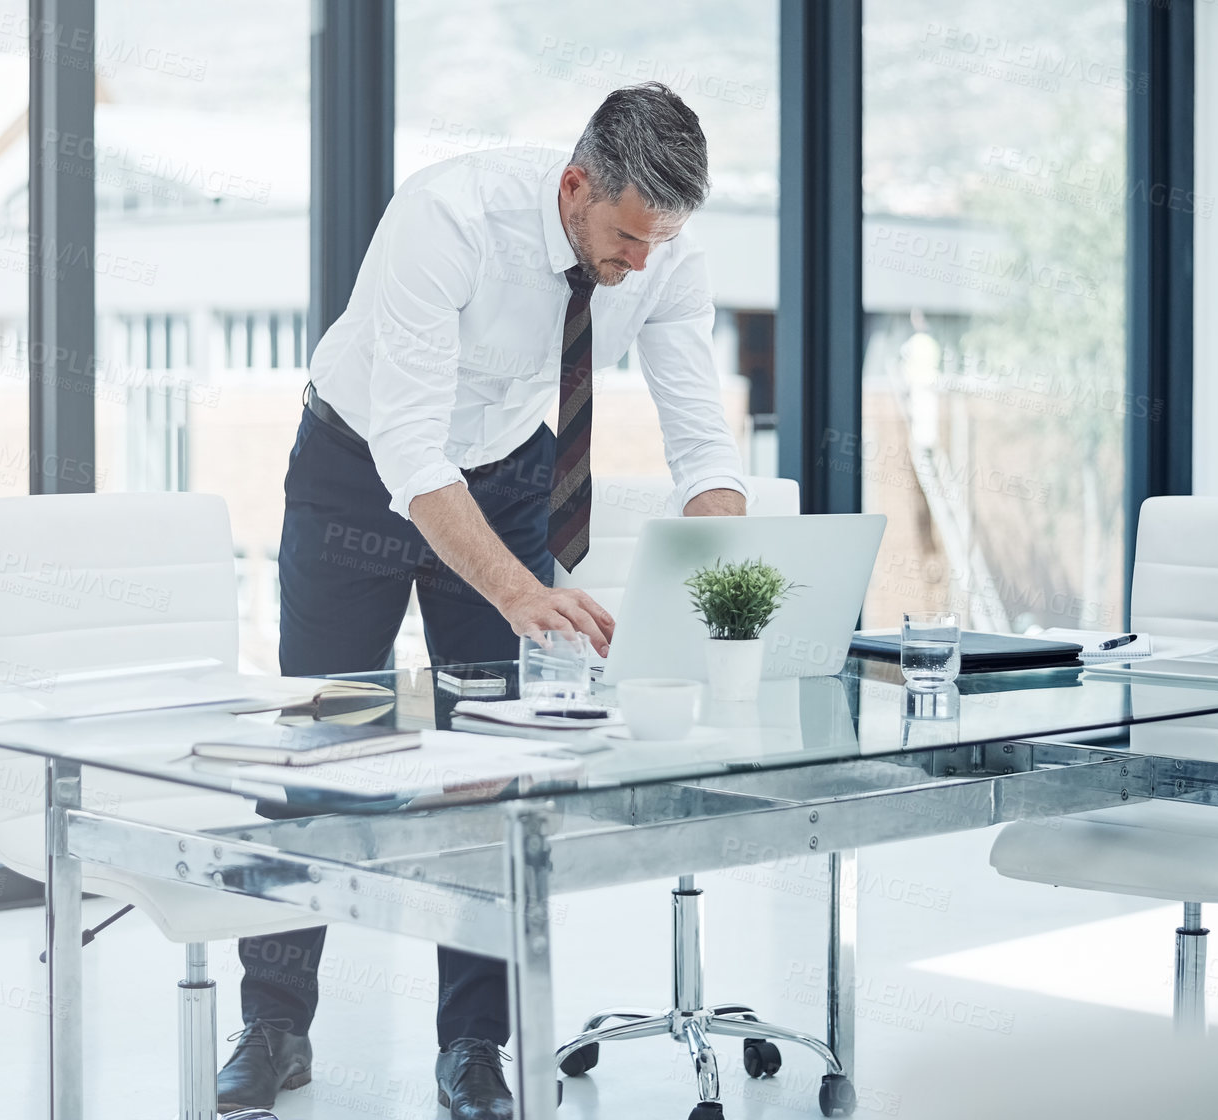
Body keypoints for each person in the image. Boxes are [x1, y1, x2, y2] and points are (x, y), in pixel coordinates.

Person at [216, 81, 749, 1119]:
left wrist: (719, 575)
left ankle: (473, 1043)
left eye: (661, 242)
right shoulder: (448, 217)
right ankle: (274, 1022)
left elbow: (702, 444)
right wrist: (522, 593)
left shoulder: (665, 251)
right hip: (358, 467)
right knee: (325, 740)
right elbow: (411, 454)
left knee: (491, 760)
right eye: (628, 238)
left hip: (505, 470)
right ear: (575, 185)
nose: (641, 263)